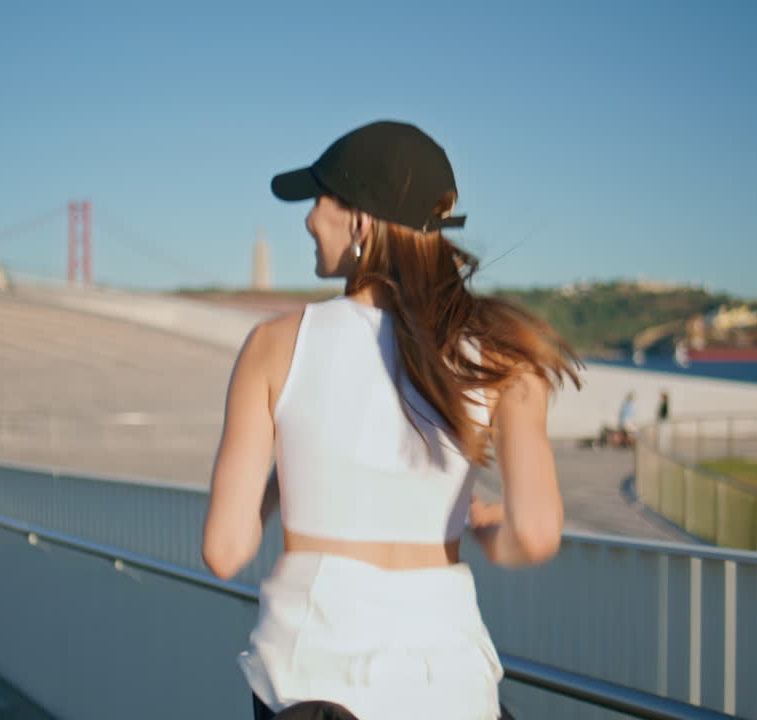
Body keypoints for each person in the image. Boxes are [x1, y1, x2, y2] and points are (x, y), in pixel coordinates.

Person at [202, 120, 581, 720]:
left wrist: (283, 479)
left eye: (318, 200)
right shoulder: (504, 353)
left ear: (361, 219)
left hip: (310, 684)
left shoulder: (275, 345)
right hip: (450, 689)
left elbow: (225, 552)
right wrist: (482, 526)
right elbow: (534, 535)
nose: (306, 220)